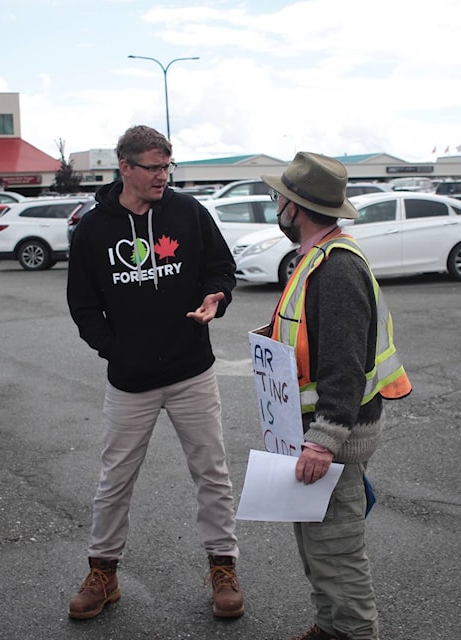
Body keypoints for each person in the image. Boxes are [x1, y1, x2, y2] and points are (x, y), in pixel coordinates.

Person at [65, 125, 244, 622]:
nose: (163, 176)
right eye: (153, 168)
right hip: (130, 381)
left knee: (212, 473)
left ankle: (223, 568)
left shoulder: (188, 213)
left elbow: (220, 269)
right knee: (114, 479)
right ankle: (103, 573)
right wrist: (116, 350)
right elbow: (82, 305)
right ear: (125, 168)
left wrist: (217, 298)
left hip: (192, 371)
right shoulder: (94, 230)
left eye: (168, 167)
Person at [260, 152, 412, 640]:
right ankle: (329, 628)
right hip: (310, 434)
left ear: (295, 208)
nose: (275, 206)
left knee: (338, 553)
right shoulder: (315, 260)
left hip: (333, 441)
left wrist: (322, 443)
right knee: (316, 547)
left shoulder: (338, 269)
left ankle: (351, 632)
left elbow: (344, 366)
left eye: (277, 199)